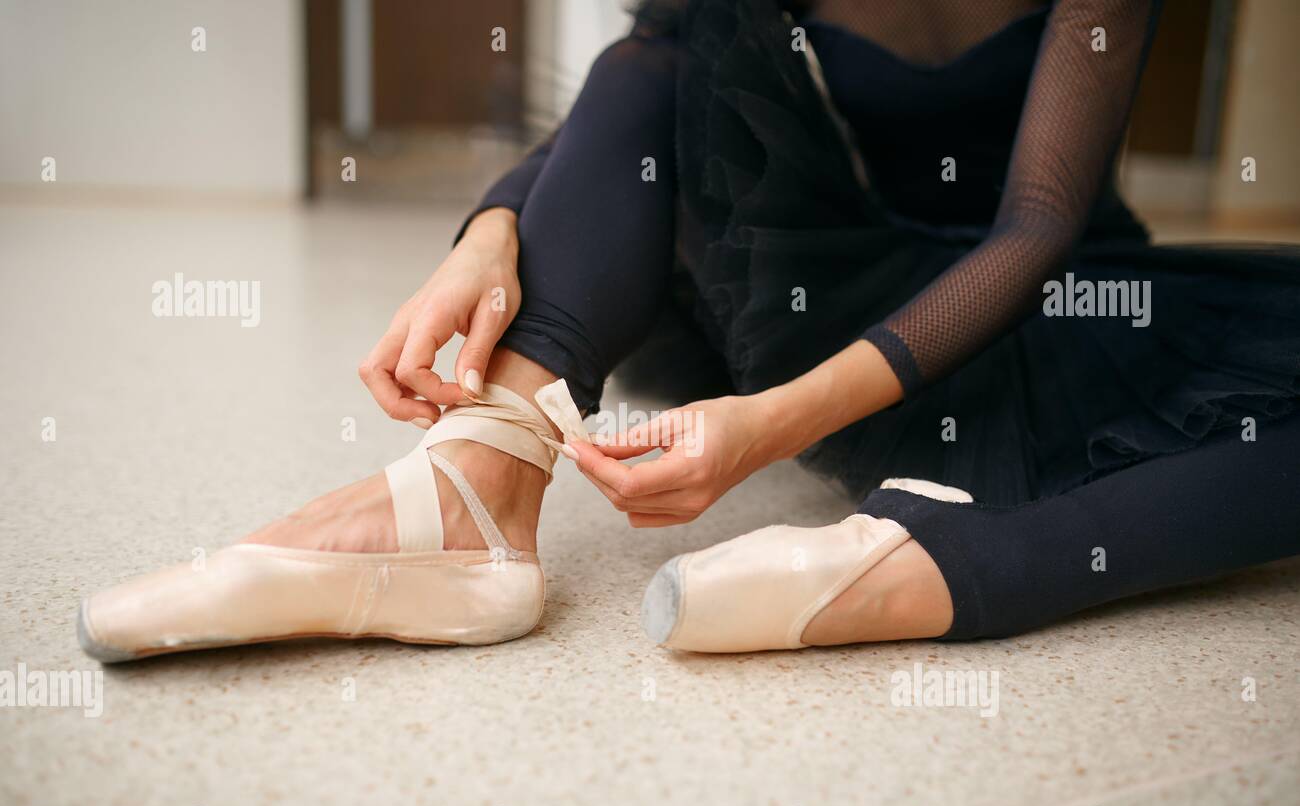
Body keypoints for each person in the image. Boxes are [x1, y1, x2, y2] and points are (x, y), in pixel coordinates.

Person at [79, 0, 1300, 661]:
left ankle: (929, 571)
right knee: (663, 46)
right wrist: (491, 228)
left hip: (1035, 314)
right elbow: (659, 82)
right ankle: (477, 486)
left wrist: (772, 429)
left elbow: (1035, 229)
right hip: (832, 286)